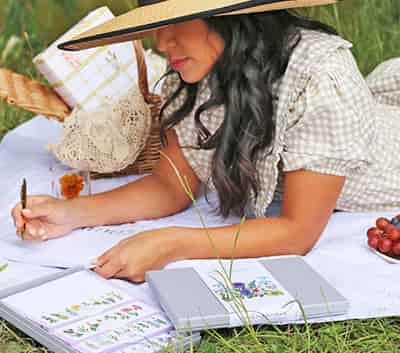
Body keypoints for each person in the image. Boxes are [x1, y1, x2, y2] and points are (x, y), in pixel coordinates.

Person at [11, 0, 400, 282]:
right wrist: (72, 213)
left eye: (176, 20)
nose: (162, 43)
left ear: (229, 17)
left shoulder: (320, 76)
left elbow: (297, 231)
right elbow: (170, 186)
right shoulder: (207, 71)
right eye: (158, 22)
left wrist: (173, 243)